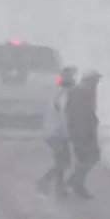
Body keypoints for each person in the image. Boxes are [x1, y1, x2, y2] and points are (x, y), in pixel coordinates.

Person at [37, 68, 75, 197]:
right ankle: (45, 180)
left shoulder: (58, 94)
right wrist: (69, 132)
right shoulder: (65, 96)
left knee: (60, 161)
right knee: (65, 162)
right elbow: (65, 115)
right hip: (58, 133)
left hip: (52, 131)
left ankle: (59, 189)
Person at [66, 70, 102, 199]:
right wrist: (82, 132)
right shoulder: (81, 92)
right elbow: (78, 114)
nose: (97, 84)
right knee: (91, 157)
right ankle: (76, 182)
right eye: (95, 81)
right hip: (82, 132)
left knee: (86, 158)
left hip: (84, 130)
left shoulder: (82, 91)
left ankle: (77, 183)